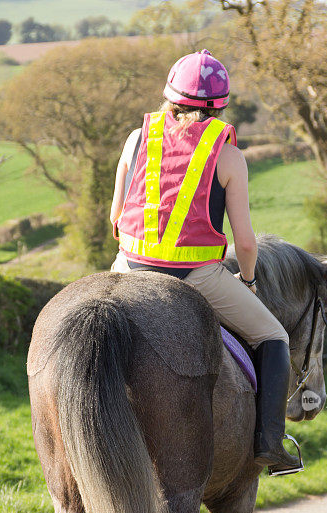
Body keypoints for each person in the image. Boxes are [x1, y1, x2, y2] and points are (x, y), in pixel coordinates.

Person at [110, 49, 302, 476]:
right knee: (273, 336)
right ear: (220, 105)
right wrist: (248, 281)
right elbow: (246, 244)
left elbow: (114, 215)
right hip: (196, 276)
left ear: (170, 97)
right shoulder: (228, 155)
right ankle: (271, 444)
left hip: (127, 269)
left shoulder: (137, 138)